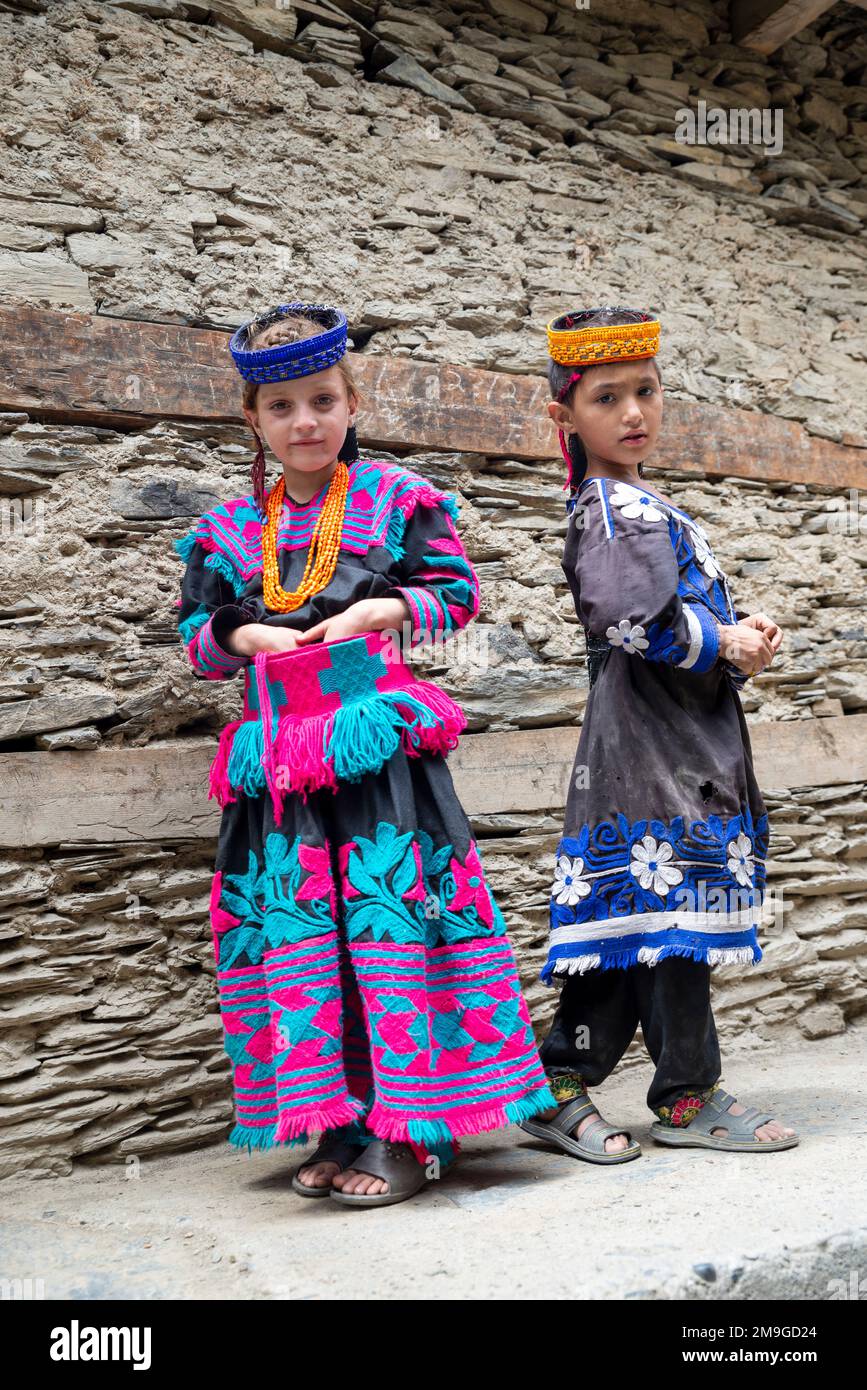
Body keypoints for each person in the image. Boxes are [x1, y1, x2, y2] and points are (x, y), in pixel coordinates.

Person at [173, 302, 554, 1208]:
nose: (303, 422)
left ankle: (409, 1133)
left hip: (377, 754)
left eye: (321, 400)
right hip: (278, 773)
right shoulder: (227, 529)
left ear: (351, 403)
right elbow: (196, 635)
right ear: (253, 421)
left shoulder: (396, 499)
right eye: (280, 408)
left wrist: (376, 611)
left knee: (390, 930)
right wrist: (246, 632)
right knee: (308, 945)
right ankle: (340, 1122)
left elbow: (453, 593)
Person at [520, 306, 799, 1162]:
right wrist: (723, 641)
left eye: (644, 390)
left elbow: (664, 616)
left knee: (640, 922)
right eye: (606, 399)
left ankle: (553, 1087)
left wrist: (731, 636)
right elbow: (628, 622)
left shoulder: (637, 504)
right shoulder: (614, 508)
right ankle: (687, 1096)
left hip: (667, 740)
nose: (633, 412)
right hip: (650, 749)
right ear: (567, 419)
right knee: (671, 917)